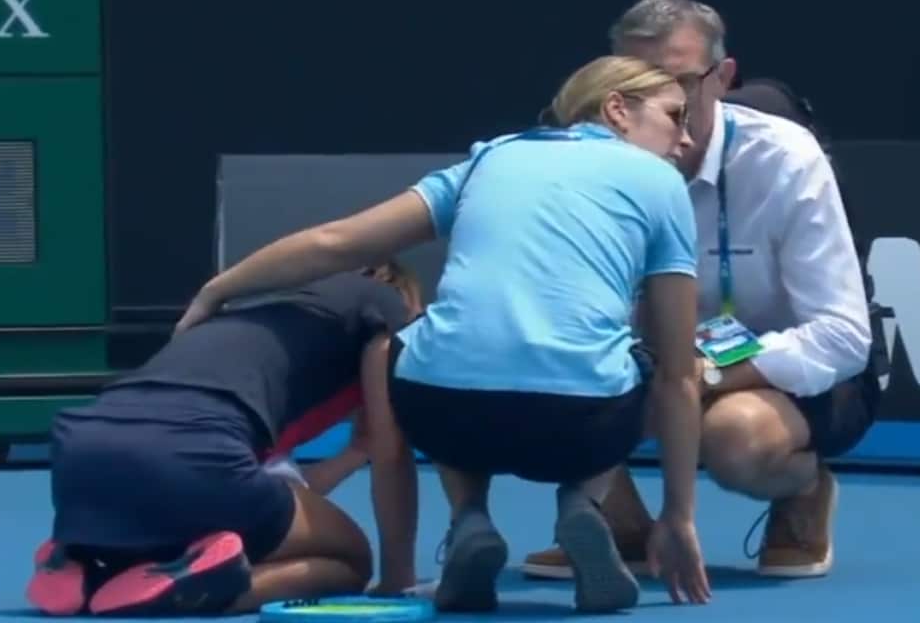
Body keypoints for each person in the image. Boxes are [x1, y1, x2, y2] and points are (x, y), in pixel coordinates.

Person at [171, 55, 713, 614]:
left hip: (444, 416)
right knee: (654, 362)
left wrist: (220, 288)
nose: (686, 140)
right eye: (676, 117)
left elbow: (336, 243)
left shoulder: (490, 159)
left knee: (434, 346)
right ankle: (582, 500)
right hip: (582, 425)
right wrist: (678, 516)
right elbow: (677, 374)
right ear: (618, 109)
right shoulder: (660, 183)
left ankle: (468, 517)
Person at [523, 0, 881, 580]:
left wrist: (699, 376)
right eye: (631, 85)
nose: (655, 103)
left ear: (723, 77)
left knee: (734, 438)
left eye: (677, 81)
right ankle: (625, 530)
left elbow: (841, 338)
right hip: (666, 360)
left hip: (794, 375)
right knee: (545, 395)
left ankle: (805, 489)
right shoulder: (587, 164)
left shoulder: (785, 157)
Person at [25, 264, 423, 617]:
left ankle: (85, 564)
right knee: (350, 560)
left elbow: (279, 491)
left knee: (200, 526)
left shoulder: (268, 321)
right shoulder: (386, 305)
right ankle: (189, 594)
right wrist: (397, 576)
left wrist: (356, 451)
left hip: (81, 457)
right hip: (192, 455)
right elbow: (391, 453)